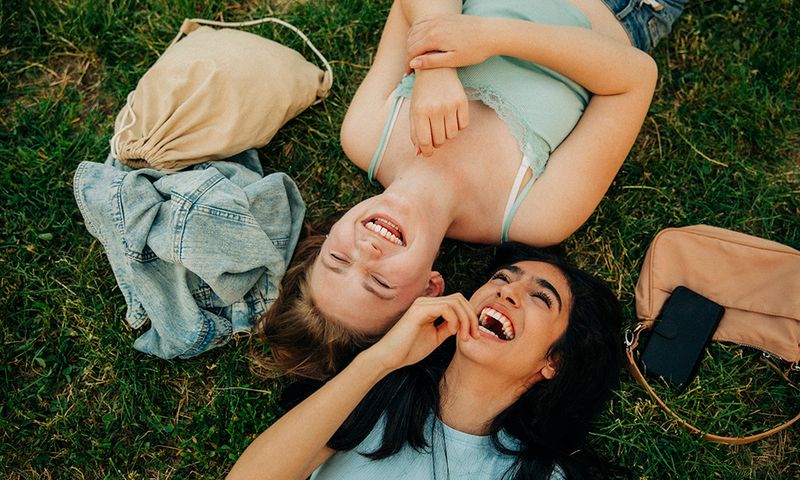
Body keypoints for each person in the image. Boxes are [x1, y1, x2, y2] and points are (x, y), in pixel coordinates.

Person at [253, 0, 686, 380]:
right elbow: (634, 77)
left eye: (338, 259)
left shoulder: (366, 134)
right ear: (429, 289)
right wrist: (493, 37)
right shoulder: (533, 216)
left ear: (327, 237)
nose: (367, 252)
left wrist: (437, 70)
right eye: (380, 283)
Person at [231, 244, 624, 479]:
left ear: (553, 361)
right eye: (502, 278)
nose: (506, 293)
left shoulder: (536, 475)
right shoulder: (375, 393)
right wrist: (382, 359)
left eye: (541, 298)